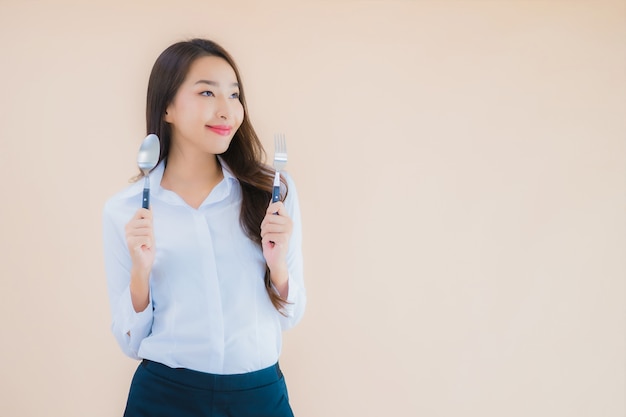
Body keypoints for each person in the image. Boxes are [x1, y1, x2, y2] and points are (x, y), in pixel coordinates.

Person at [102, 38, 305, 417]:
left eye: (234, 94)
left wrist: (278, 268)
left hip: (259, 397)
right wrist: (140, 275)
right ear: (166, 107)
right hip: (165, 398)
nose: (226, 110)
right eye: (207, 92)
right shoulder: (125, 211)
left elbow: (291, 316)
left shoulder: (272, 194)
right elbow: (130, 343)